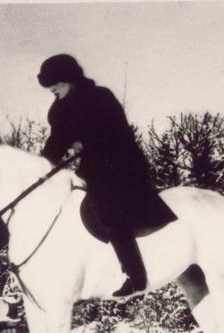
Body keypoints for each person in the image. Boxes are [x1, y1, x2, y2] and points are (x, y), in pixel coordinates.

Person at [37, 54, 177, 297]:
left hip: (121, 165)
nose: (52, 90)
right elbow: (56, 141)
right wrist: (41, 166)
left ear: (69, 80)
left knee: (107, 207)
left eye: (56, 84)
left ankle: (136, 277)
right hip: (91, 170)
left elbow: (117, 133)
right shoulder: (58, 110)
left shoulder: (101, 98)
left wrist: (84, 144)